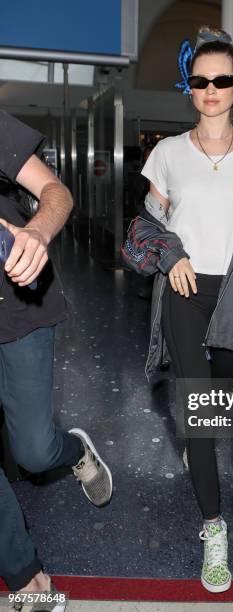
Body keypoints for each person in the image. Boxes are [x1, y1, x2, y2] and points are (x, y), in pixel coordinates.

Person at [122, 25, 233, 593]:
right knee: (200, 411)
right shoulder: (168, 154)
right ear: (190, 89)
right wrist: (169, 251)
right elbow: (141, 231)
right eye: (202, 80)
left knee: (218, 399)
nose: (213, 89)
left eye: (223, 79)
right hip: (186, 289)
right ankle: (213, 528)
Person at [0, 110, 113, 609]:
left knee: (33, 453)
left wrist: (38, 233)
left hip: (17, 304)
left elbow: (57, 193)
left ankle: (73, 452)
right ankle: (24, 570)